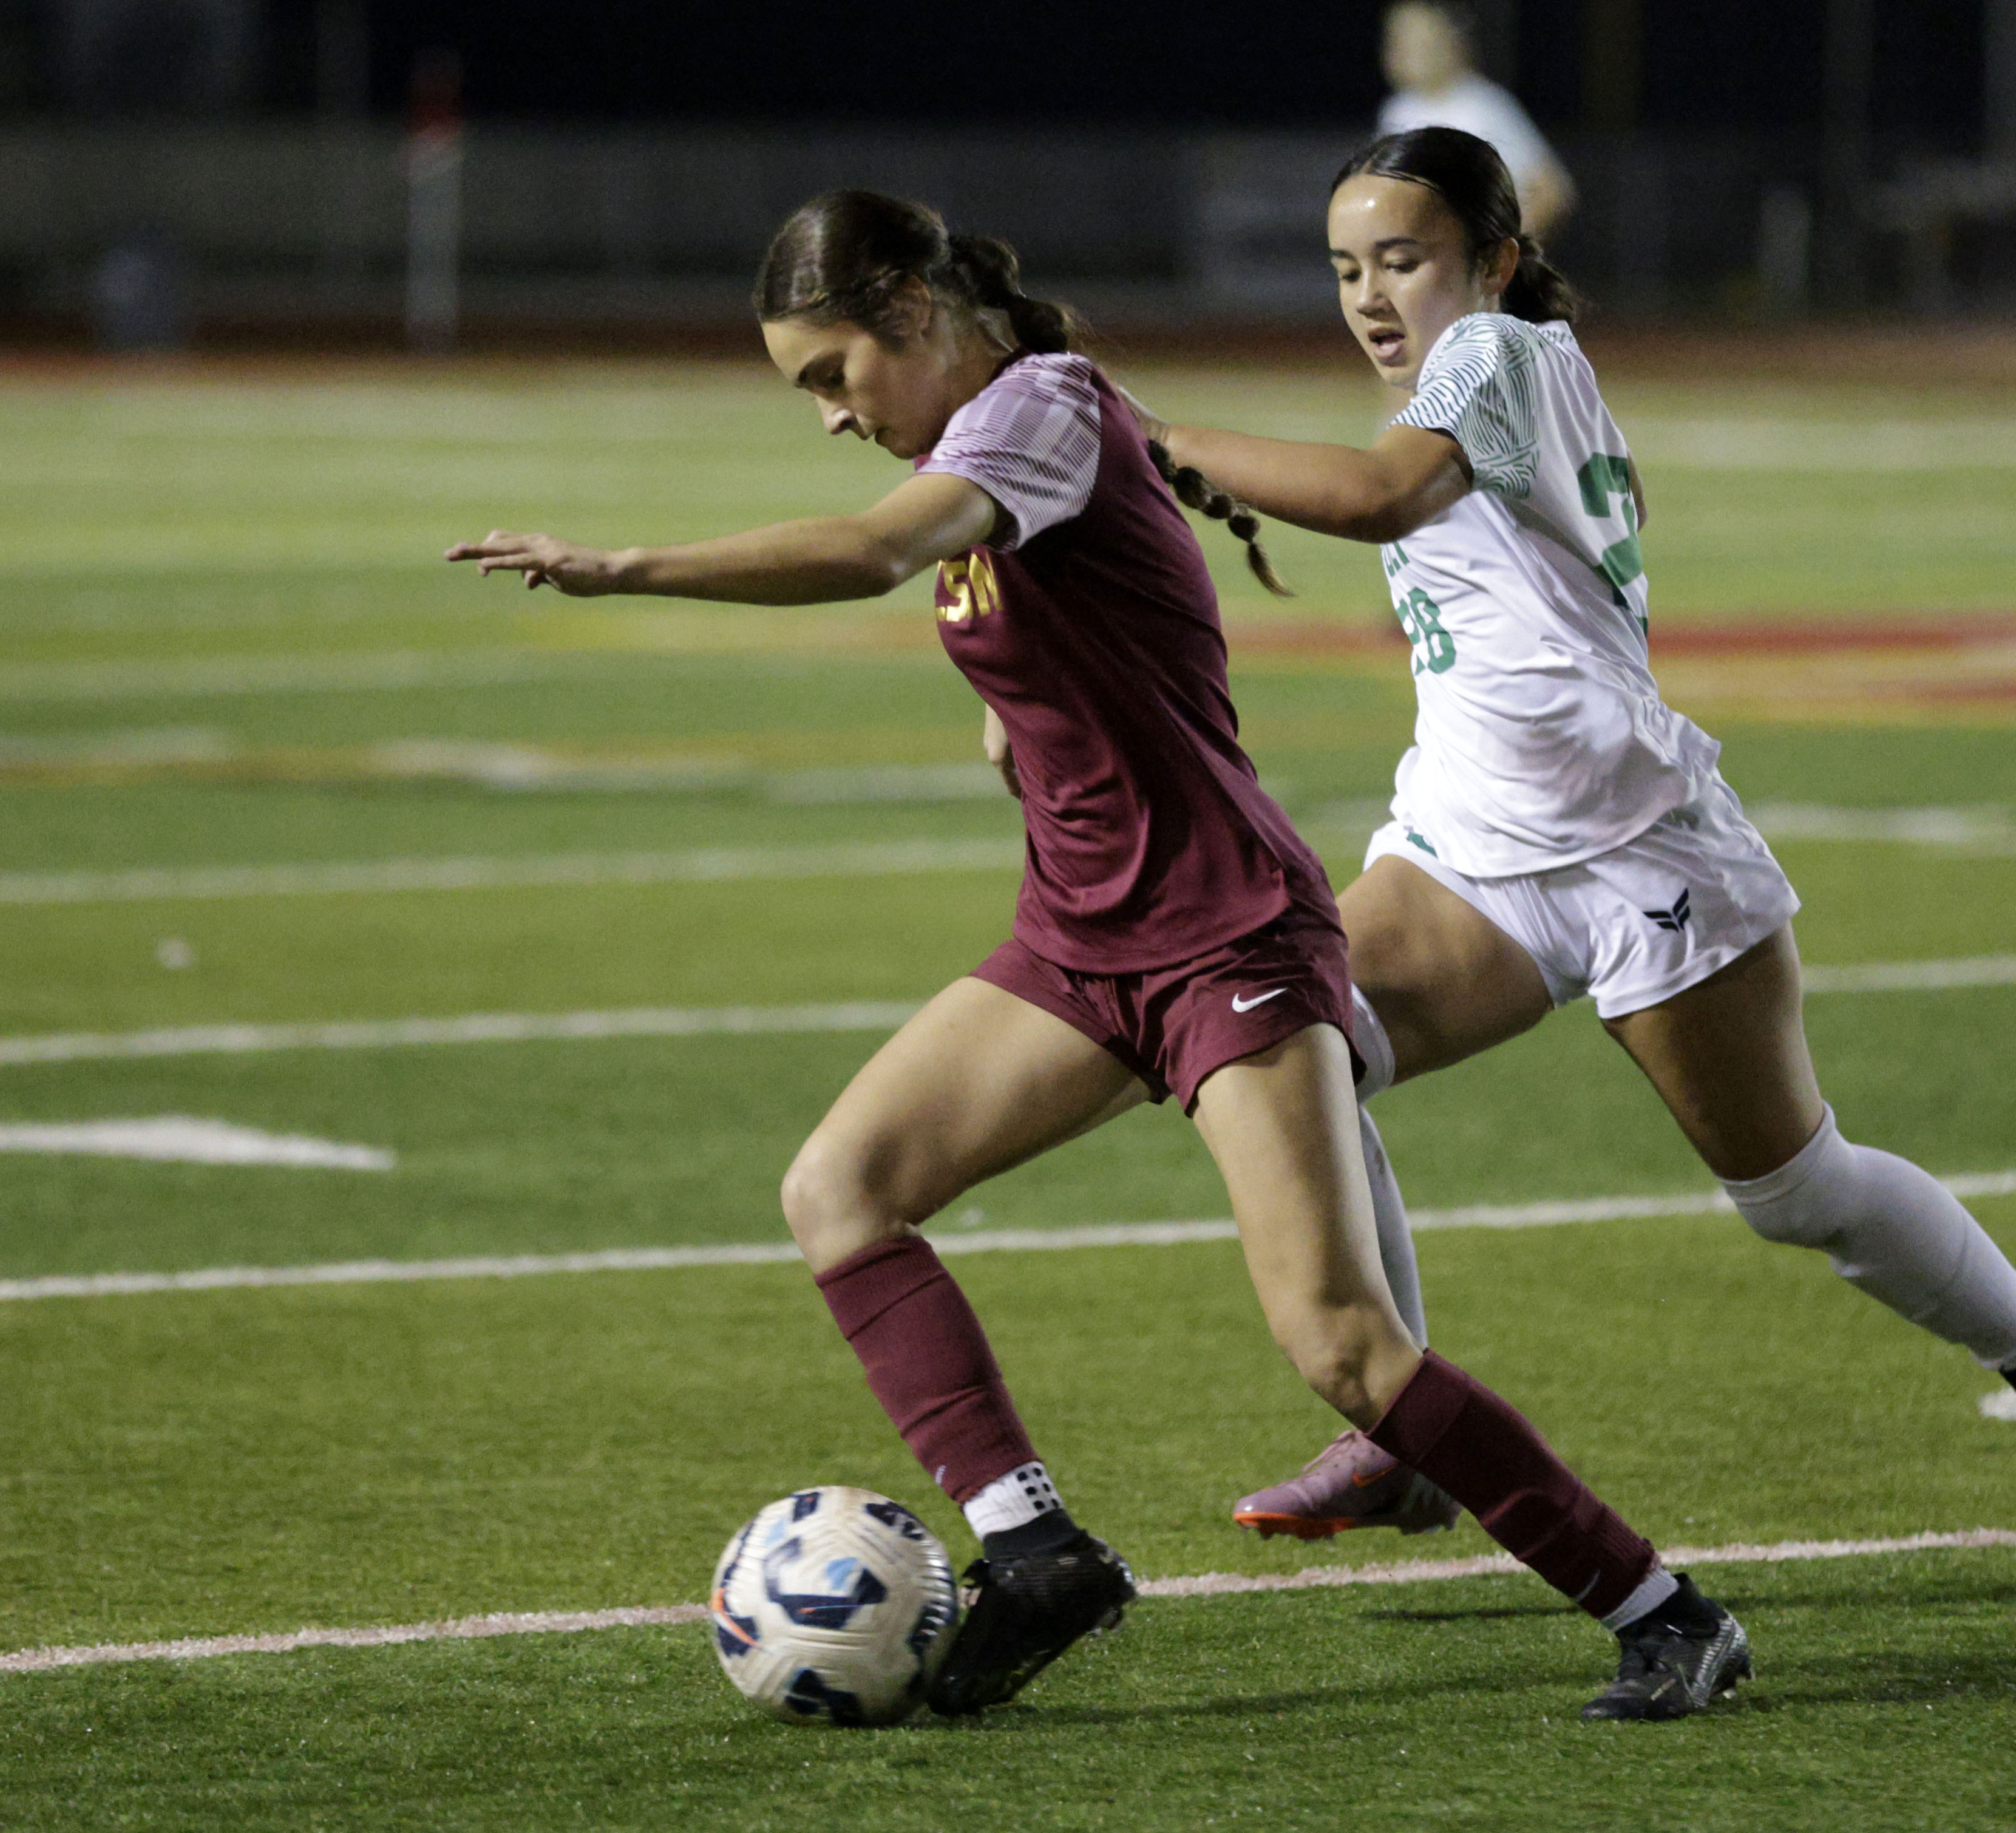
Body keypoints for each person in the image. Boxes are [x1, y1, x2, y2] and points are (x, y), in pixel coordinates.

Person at [448, 189, 1751, 1723]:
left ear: (919, 317)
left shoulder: (1039, 411)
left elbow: (877, 555)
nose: (828, 418)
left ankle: (1664, 1614)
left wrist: (628, 569)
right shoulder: (994, 443)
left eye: (831, 376)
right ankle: (1034, 1545)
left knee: (1341, 1346)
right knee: (842, 1191)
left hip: (1221, 941)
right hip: (1082, 937)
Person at [1116, 128, 2016, 1560]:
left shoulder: (1488, 357)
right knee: (1295, 1049)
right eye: (1346, 266)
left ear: (1494, 261)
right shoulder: (1503, 377)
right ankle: (1400, 1426)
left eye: (1401, 260)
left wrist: (1147, 436)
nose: (1367, 293)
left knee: (1797, 1191)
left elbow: (1377, 499)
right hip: (1470, 846)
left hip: (1636, 847)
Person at [1380, 2, 1574, 239]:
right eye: (1397, 39)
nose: (1402, 51)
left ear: (1450, 42)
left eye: (1418, 39)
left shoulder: (1484, 106)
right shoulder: (1398, 110)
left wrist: (1499, 251)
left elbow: (1553, 194)